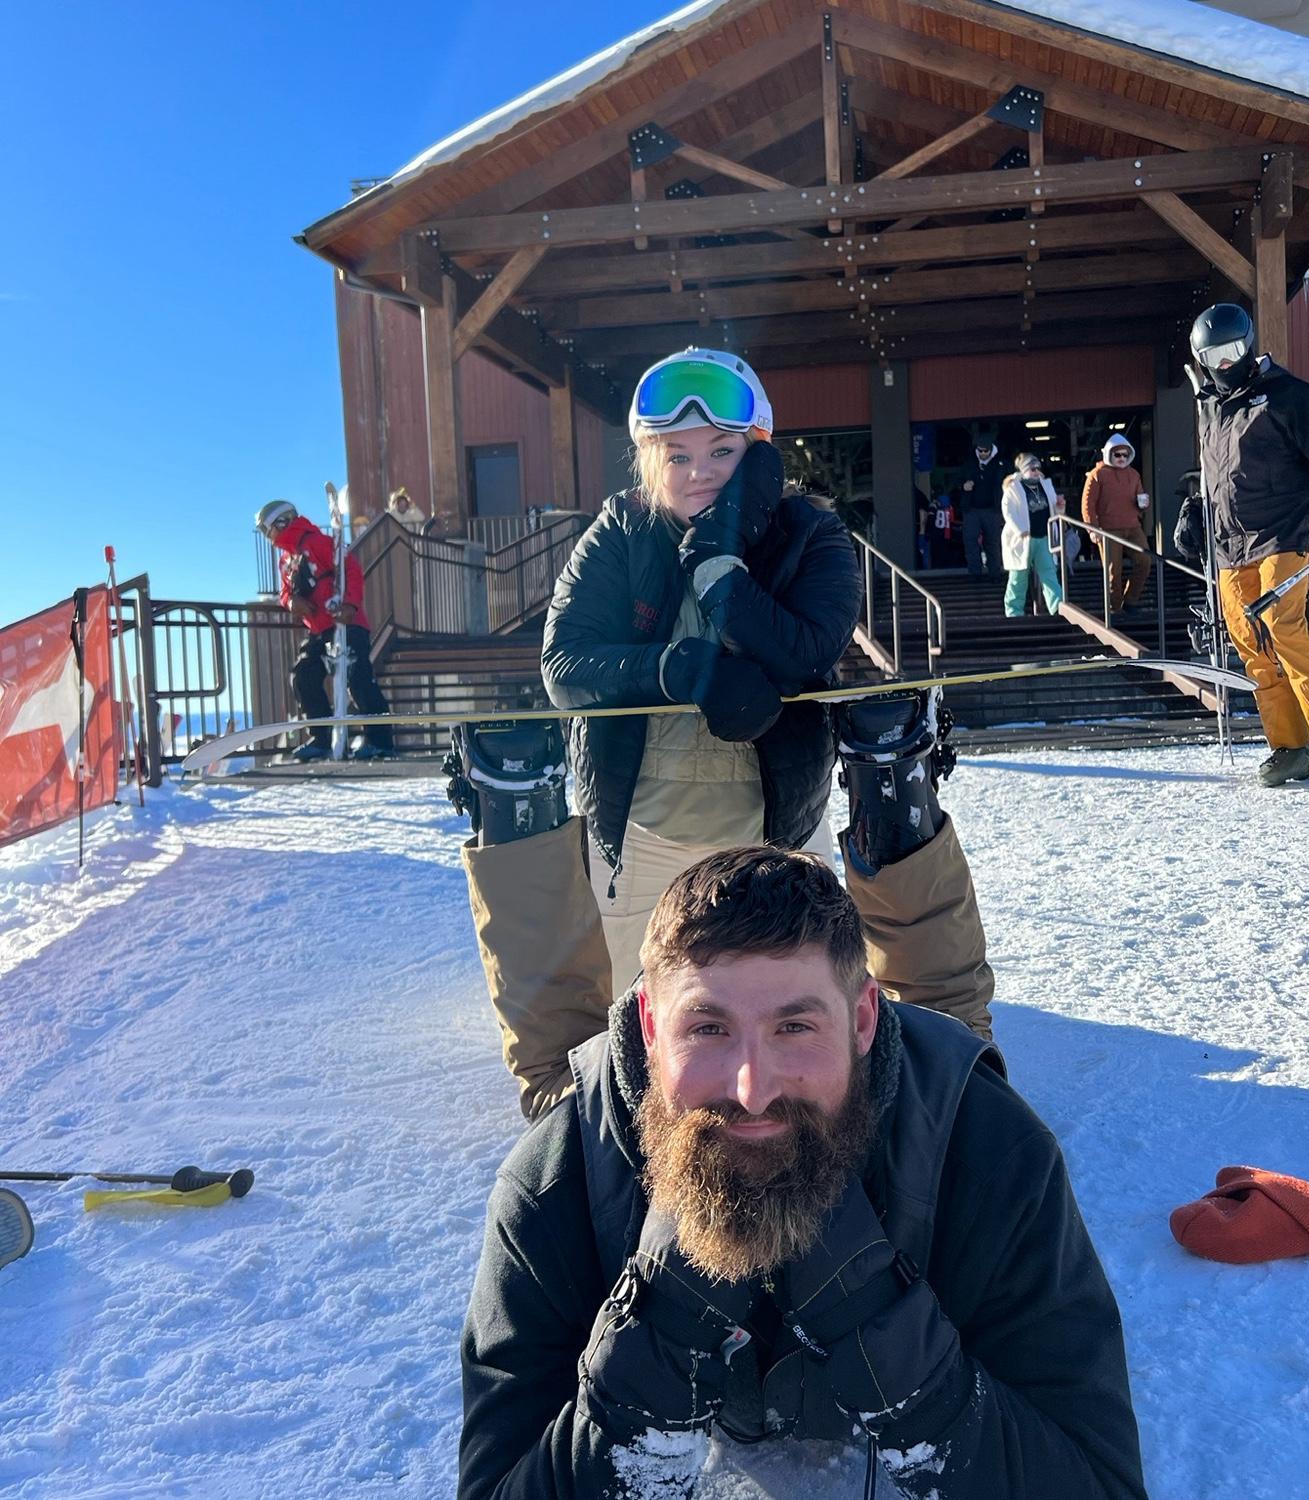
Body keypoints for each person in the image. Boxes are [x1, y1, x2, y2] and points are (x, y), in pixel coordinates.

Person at [453, 711, 1147, 1499]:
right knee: (557, 1075)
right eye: (707, 1027)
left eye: (795, 1027)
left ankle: (895, 805)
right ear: (649, 1025)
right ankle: (519, 819)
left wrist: (898, 1346)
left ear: (858, 1021)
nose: (752, 1089)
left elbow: (1100, 1484)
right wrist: (649, 1353)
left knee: (952, 1029)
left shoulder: (989, 1156)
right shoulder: (554, 1186)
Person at [476, 348, 862, 995]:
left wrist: (717, 562)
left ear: (758, 455)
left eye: (721, 451)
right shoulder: (620, 531)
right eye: (677, 456)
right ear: (652, 462)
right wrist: (678, 669)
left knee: (790, 1005)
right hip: (643, 835)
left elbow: (809, 649)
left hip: (776, 833)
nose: (698, 473)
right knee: (645, 1014)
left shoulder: (809, 531)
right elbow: (565, 664)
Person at [1175, 303, 1309, 787]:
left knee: (1283, 627)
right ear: (1201, 360)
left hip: (1281, 534)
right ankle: (1289, 745)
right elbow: (1213, 476)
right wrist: (1194, 511)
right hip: (1228, 546)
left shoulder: (1285, 395)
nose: (1225, 365)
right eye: (1215, 356)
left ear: (1251, 345)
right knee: (1250, 644)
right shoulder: (1210, 409)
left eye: (1234, 352)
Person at [254, 499, 394, 763]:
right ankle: (321, 739)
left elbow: (350, 569)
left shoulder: (317, 542)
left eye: (267, 529)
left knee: (357, 679)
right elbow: (285, 593)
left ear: (282, 522)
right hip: (318, 629)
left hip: (346, 624)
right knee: (303, 677)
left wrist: (351, 604)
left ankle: (380, 741)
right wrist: (292, 602)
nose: (267, 536)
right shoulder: (286, 559)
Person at [1082, 434, 1153, 618]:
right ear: (1109, 455)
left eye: (1124, 455)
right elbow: (1087, 504)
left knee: (1145, 561)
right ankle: (1114, 609)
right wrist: (1092, 529)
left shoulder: (1134, 474)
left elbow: (1141, 498)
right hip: (1108, 530)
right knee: (1114, 571)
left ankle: (1130, 601)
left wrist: (1144, 503)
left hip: (1133, 526)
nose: (1121, 458)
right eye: (1117, 455)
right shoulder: (1097, 475)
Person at [1000, 452, 1065, 618]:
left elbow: (1054, 511)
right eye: (1032, 468)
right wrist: (1020, 530)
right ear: (1023, 470)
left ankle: (1058, 607)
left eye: (1038, 468)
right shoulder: (1013, 487)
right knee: (1018, 576)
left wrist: (1060, 506)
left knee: (1049, 572)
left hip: (1044, 536)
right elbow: (1008, 512)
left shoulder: (1046, 485)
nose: (1036, 471)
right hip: (1022, 539)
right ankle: (1014, 612)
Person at [958, 424, 1005, 581]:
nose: (983, 454)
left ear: (991, 449)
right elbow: (957, 480)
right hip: (971, 509)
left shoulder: (1001, 463)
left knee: (992, 541)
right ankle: (975, 573)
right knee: (970, 541)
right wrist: (963, 486)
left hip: (992, 509)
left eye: (986, 451)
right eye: (980, 451)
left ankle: (995, 573)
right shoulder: (969, 461)